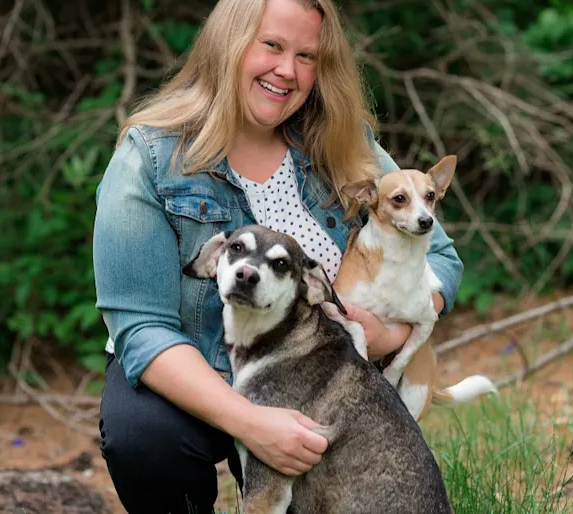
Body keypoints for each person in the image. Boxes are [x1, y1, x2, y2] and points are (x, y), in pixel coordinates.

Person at [93, 0, 464, 512]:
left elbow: (441, 256)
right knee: (144, 437)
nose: (287, 71)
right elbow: (140, 326)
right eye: (271, 45)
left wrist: (393, 333)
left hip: (318, 372)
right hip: (199, 373)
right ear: (229, 43)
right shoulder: (151, 156)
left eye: (306, 56)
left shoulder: (342, 143)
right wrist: (250, 421)